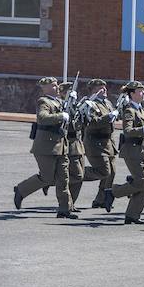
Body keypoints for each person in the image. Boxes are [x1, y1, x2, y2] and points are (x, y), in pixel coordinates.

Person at [13, 77, 75, 218]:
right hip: (46, 146)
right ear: (44, 88)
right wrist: (61, 116)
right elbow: (42, 118)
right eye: (53, 85)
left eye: (56, 84)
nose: (56, 87)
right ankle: (21, 190)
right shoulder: (43, 101)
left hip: (61, 146)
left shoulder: (60, 101)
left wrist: (71, 103)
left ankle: (65, 209)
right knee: (46, 177)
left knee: (63, 179)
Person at [103, 81, 144, 224]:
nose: (143, 93)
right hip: (132, 150)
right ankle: (112, 192)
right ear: (132, 94)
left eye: (143, 91)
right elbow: (128, 131)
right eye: (140, 91)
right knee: (142, 181)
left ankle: (132, 215)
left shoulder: (142, 110)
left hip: (143, 151)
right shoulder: (129, 110)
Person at [81, 79, 119, 210]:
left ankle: (102, 199)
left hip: (108, 142)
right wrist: (108, 117)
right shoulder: (89, 104)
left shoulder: (107, 103)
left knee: (112, 172)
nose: (105, 90)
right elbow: (92, 123)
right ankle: (74, 173)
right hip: (95, 142)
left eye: (105, 88)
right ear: (93, 90)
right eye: (101, 88)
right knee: (104, 171)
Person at [58, 80, 86, 212]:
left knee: (79, 176)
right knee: (76, 176)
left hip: (78, 144)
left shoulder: (75, 105)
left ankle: (71, 204)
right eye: (69, 92)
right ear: (63, 93)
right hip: (67, 144)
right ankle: (52, 183)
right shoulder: (61, 106)